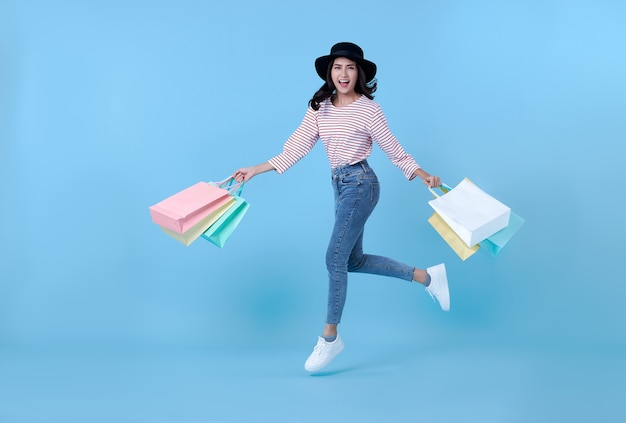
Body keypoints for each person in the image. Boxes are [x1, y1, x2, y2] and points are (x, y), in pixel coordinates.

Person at [233, 42, 450, 373]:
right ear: (329, 72)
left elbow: (394, 150)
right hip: (340, 185)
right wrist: (255, 169)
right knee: (352, 260)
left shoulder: (368, 110)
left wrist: (421, 174)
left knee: (333, 258)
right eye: (337, 68)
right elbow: (295, 147)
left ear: (359, 73)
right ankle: (427, 277)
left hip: (361, 184)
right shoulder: (320, 107)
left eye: (350, 68)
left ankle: (330, 337)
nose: (343, 74)